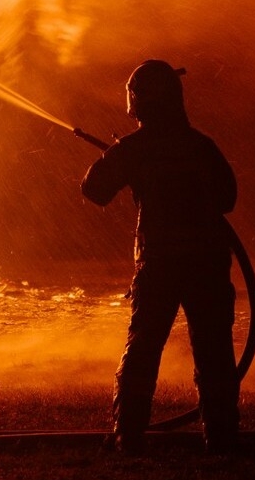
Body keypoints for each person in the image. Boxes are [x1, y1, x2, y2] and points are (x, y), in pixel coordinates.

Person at [81, 59, 239, 454]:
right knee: (215, 353)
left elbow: (94, 190)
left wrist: (121, 158)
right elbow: (227, 199)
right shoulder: (201, 146)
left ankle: (128, 436)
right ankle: (222, 438)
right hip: (208, 264)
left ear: (137, 100)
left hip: (161, 265)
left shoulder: (136, 148)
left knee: (144, 349)